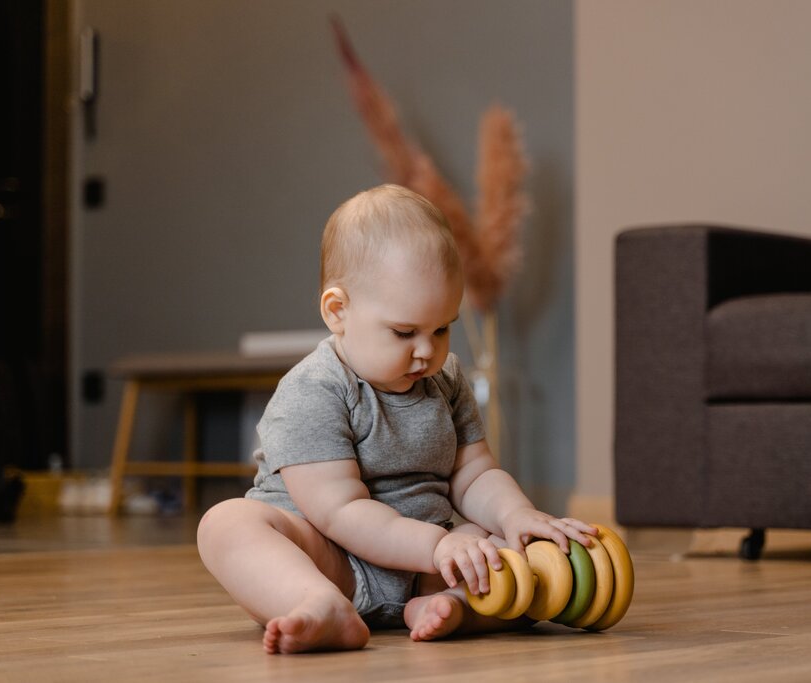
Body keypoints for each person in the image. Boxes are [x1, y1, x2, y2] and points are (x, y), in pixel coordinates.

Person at [197, 184, 595, 654]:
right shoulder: (313, 389)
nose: (427, 350)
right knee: (226, 524)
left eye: (442, 328)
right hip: (332, 556)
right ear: (338, 311)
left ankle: (446, 608)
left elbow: (475, 474)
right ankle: (318, 603)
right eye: (405, 332)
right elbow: (338, 511)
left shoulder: (444, 379)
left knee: (516, 565)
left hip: (428, 560)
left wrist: (516, 516)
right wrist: (433, 546)